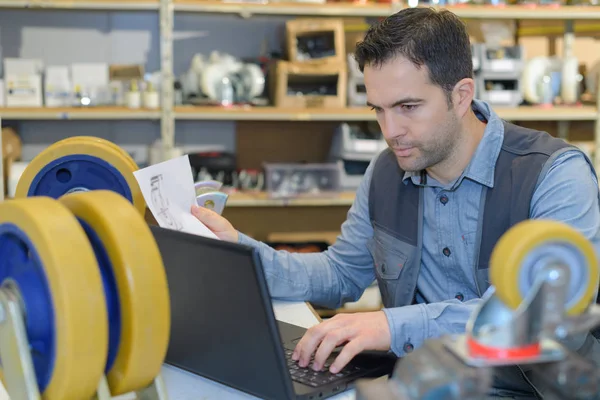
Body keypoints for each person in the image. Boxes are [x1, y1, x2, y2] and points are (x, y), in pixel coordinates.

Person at [191, 7, 600, 398]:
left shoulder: (555, 175)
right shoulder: (386, 171)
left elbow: (542, 317)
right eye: (378, 110)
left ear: (461, 96)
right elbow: (340, 274)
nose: (391, 131)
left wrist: (391, 326)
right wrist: (241, 252)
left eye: (407, 107)